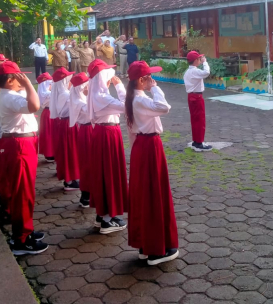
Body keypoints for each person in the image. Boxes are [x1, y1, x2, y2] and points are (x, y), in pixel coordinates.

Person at [126, 60, 179, 265]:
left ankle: (145, 245)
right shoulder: (140, 99)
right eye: (149, 77)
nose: (152, 80)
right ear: (141, 80)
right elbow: (164, 107)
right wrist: (155, 88)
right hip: (149, 146)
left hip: (142, 146)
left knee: (144, 194)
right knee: (154, 194)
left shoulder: (134, 98)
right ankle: (156, 249)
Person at [0, 61, 48, 255]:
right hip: (19, 145)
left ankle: (25, 231)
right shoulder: (9, 98)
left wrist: (24, 86)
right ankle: (21, 239)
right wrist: (29, 85)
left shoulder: (7, 95)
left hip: (19, 143)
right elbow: (34, 105)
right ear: (10, 81)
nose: (22, 80)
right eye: (18, 77)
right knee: (22, 192)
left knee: (24, 190)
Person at [87, 59, 128, 234]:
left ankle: (102, 214)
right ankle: (106, 219)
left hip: (103, 133)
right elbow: (127, 106)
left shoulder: (97, 94)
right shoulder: (103, 97)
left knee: (104, 173)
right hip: (108, 135)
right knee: (109, 173)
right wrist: (120, 87)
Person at [49, 67, 80, 191]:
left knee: (66, 151)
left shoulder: (58, 93)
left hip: (63, 123)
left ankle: (69, 178)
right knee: (70, 151)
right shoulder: (66, 94)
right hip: (68, 124)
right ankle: (69, 179)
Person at [69, 72, 93, 208]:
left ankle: (89, 193)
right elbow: (92, 111)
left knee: (90, 162)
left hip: (88, 130)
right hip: (87, 130)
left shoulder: (80, 98)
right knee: (88, 163)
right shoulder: (79, 101)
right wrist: (90, 94)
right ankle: (86, 195)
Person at [183, 51, 212, 151]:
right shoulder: (195, 71)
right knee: (200, 120)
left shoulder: (188, 72)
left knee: (194, 119)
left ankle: (196, 140)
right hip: (197, 97)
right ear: (195, 60)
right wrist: (205, 62)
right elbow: (206, 72)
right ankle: (199, 142)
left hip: (191, 96)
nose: (200, 60)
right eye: (199, 59)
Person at [37, 72, 54, 162]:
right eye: (50, 83)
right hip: (50, 113)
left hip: (46, 113)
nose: (51, 85)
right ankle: (50, 153)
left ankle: (49, 152)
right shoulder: (47, 94)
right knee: (50, 133)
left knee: (48, 132)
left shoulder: (42, 93)